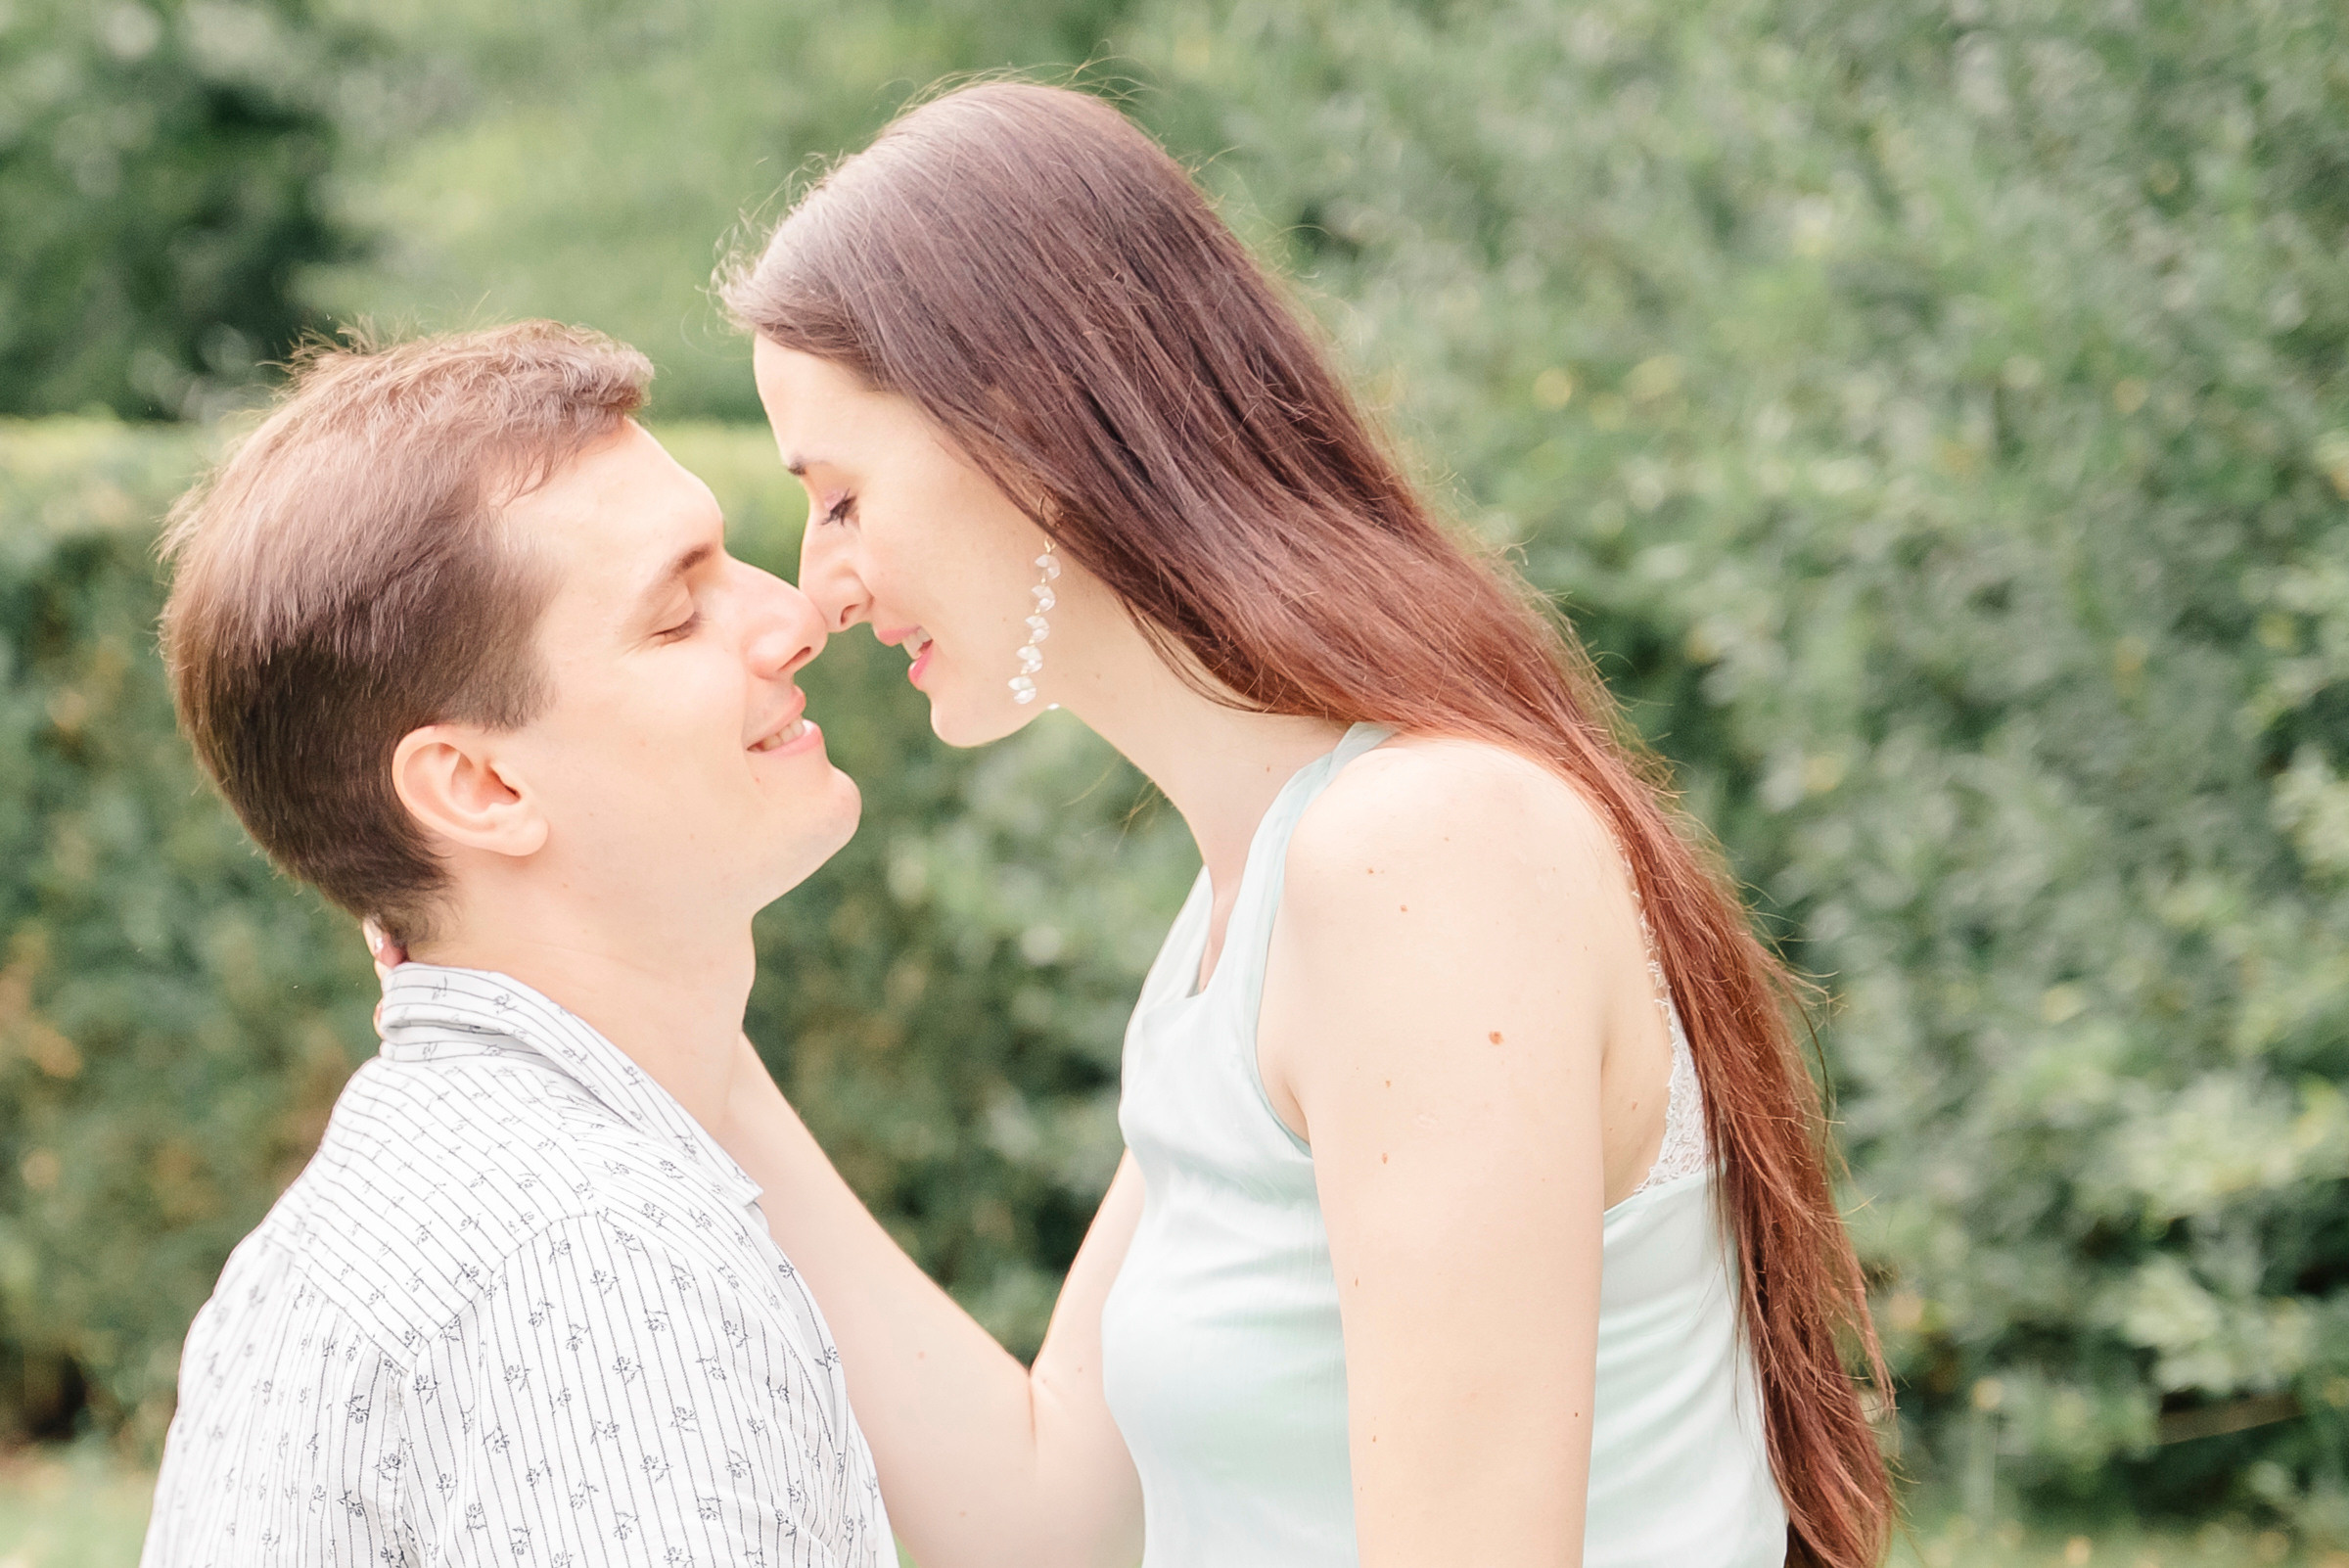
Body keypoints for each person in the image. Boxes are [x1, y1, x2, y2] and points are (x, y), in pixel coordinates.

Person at [706, 81, 1896, 1568]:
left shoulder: (1423, 856)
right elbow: (1041, 1514)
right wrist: (692, 1047)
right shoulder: (1239, 930)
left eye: (838, 497)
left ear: (1026, 430)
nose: (824, 585)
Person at [142, 323, 892, 1566]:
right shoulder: (602, 1274)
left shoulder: (321, 1248)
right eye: (675, 613)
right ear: (479, 788)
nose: (793, 615)